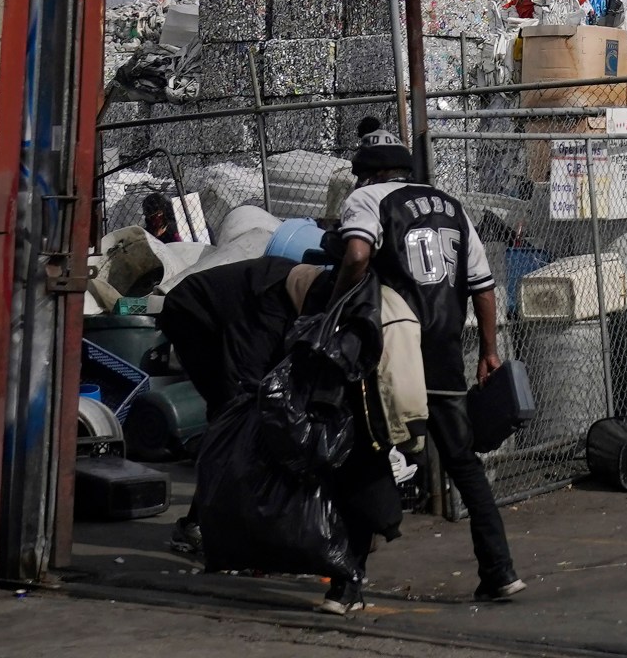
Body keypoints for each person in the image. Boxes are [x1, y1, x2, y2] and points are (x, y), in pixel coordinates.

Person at [325, 122, 523, 610]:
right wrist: (490, 351)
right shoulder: (451, 206)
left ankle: (348, 586)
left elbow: (354, 253)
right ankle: (499, 571)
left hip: (391, 353)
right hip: (444, 353)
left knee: (368, 456)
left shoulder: (368, 201)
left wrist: (336, 303)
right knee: (463, 463)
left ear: (366, 174)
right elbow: (482, 284)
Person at [158, 253, 305, 557]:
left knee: (242, 420)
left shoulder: (298, 296)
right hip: (192, 317)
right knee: (232, 419)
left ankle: (215, 520)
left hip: (222, 318)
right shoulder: (267, 311)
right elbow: (247, 382)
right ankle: (200, 524)